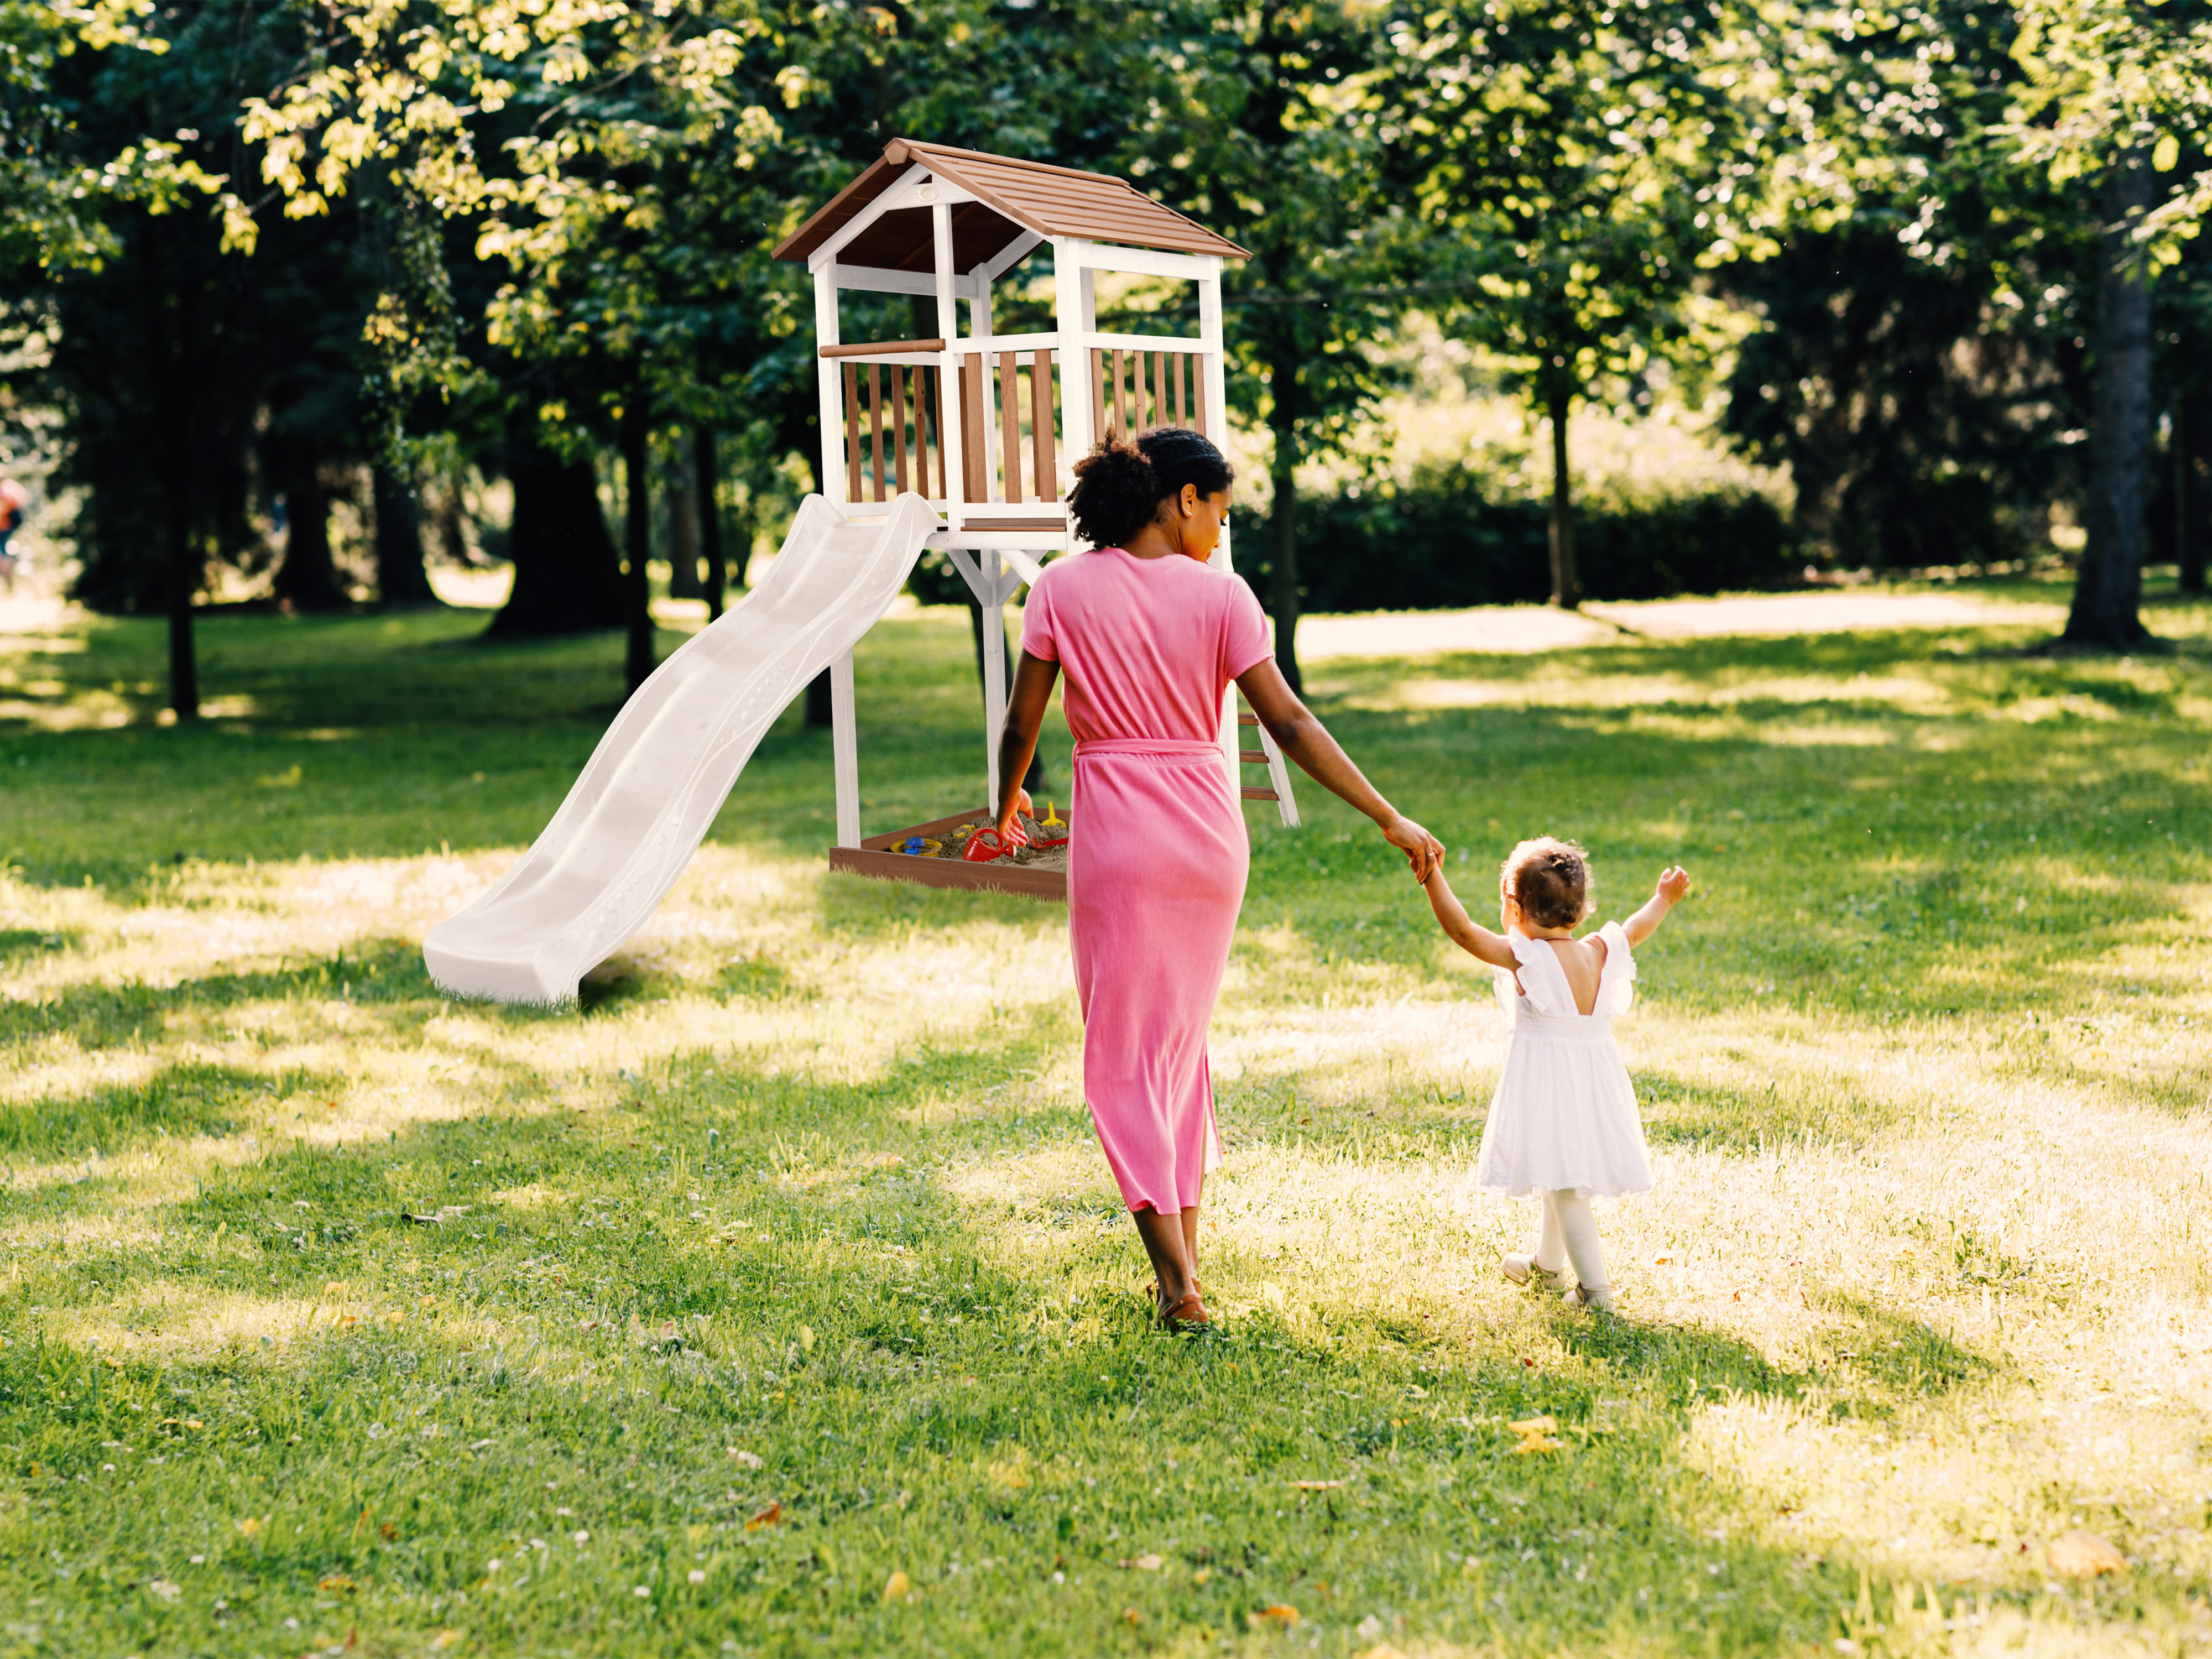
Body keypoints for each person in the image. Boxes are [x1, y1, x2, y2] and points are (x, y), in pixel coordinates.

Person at [992, 427, 1443, 1331]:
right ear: (1183, 499)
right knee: (1177, 1052)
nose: (1221, 533)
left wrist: (1003, 807)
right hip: (1208, 838)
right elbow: (1290, 723)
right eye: (1222, 512)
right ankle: (1186, 1268)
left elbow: (1021, 725)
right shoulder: (1224, 598)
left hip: (1118, 838)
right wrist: (1386, 813)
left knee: (1122, 1058)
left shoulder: (1059, 589)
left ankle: (1177, 1286)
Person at [1418, 838, 1691, 1311]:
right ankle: (1547, 1266)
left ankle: (1595, 1292)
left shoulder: (1527, 958)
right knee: (1556, 1170)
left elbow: (1462, 931)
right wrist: (1663, 898)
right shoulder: (1599, 950)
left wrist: (1431, 876)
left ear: (1515, 908)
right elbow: (1636, 927)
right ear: (1581, 911)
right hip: (1594, 1082)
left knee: (1566, 1188)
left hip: (1551, 1084)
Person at [0, 478, 27, 595]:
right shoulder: (8, 486)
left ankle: (6, 575)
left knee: (2, 550)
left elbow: (5, 509)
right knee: (3, 549)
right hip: (10, 523)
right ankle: (7, 577)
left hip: (7, 524)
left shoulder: (4, 491)